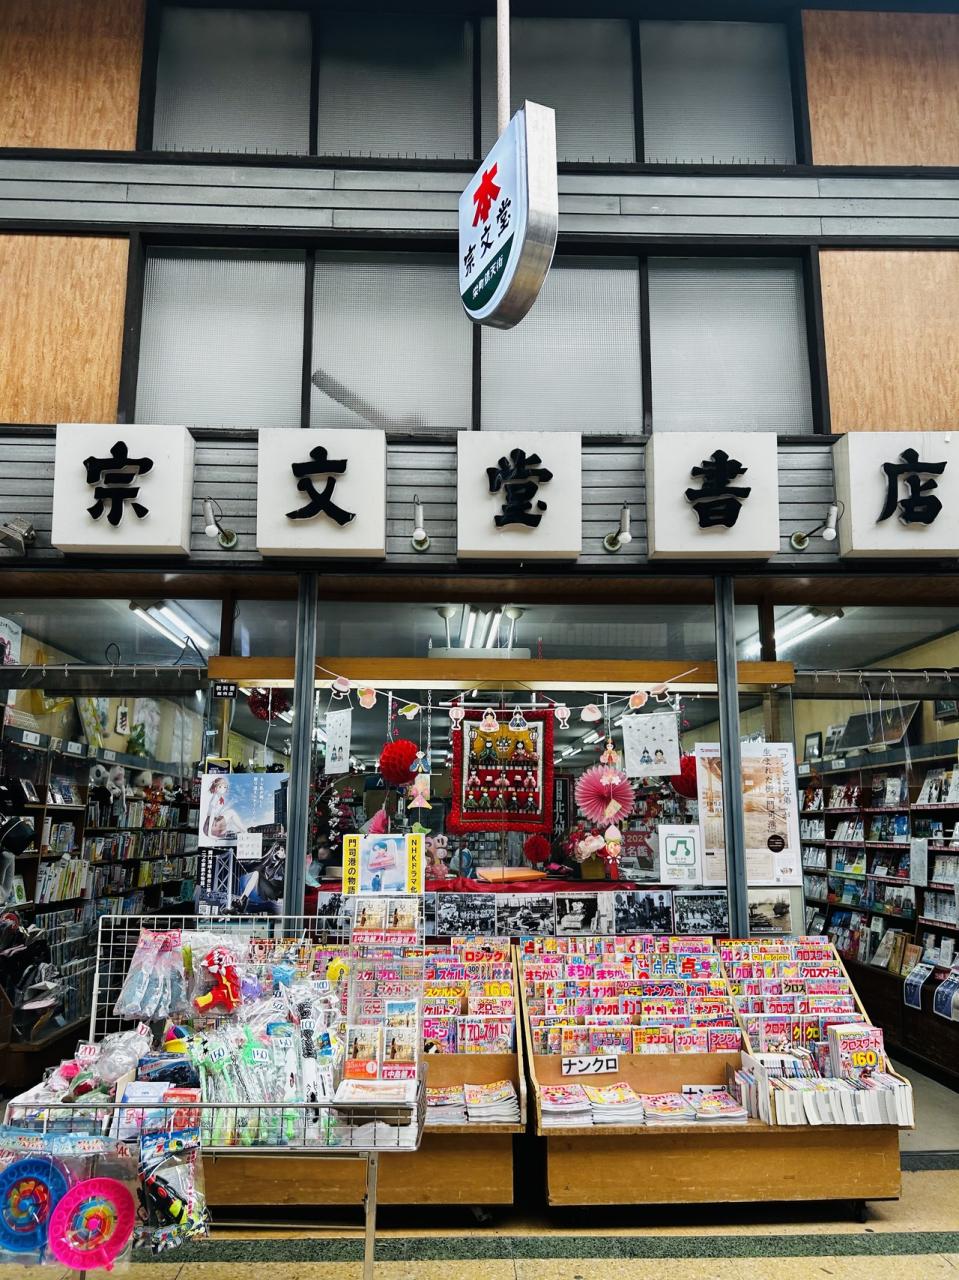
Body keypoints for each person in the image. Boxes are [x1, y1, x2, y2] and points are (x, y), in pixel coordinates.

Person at [202, 775, 247, 840]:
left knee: (230, 812)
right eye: (220, 787)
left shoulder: (219, 797)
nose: (223, 789)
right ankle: (245, 832)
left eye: (225, 787)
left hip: (214, 824)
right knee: (232, 812)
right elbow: (211, 816)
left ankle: (244, 831)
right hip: (211, 826)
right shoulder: (215, 799)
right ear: (215, 788)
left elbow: (217, 813)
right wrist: (209, 834)